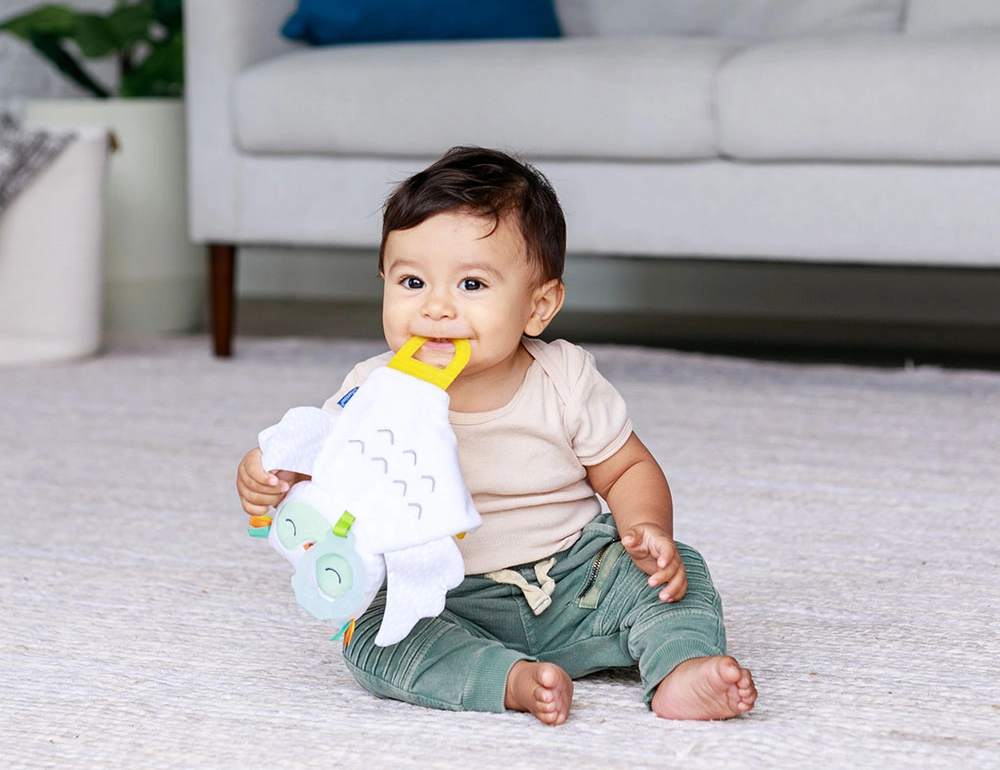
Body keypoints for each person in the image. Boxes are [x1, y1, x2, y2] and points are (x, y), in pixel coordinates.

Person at [237, 146, 756, 725]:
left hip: (577, 580)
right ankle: (508, 679)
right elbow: (331, 473)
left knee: (678, 575)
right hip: (443, 595)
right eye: (412, 281)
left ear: (538, 306)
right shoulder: (371, 389)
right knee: (373, 639)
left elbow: (628, 468)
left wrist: (647, 530)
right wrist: (275, 474)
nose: (436, 308)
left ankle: (681, 667)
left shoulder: (563, 379)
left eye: (471, 284)